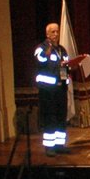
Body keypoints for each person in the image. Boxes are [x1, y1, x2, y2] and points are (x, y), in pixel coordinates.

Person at [34, 22, 77, 153]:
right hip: (48, 90)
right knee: (50, 117)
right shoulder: (41, 48)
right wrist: (48, 50)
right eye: (53, 32)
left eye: (57, 31)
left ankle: (59, 145)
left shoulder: (62, 50)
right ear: (47, 34)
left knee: (60, 117)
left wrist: (69, 66)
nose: (56, 34)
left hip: (60, 89)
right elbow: (39, 60)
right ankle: (49, 147)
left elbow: (65, 66)